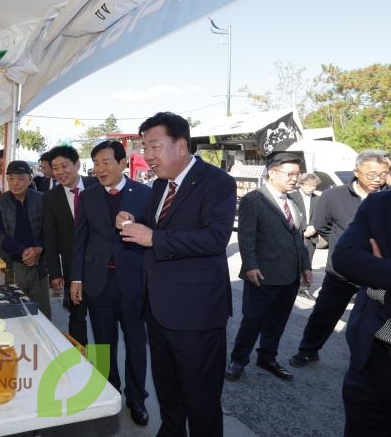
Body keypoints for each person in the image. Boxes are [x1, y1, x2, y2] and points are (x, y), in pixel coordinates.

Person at [118, 112, 236, 437]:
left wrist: (153, 237)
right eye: (144, 147)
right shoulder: (159, 186)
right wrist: (131, 218)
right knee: (168, 392)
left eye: (154, 146)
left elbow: (215, 238)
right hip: (158, 310)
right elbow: (155, 225)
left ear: (181, 145)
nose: (147, 156)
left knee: (201, 400)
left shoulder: (217, 183)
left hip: (196, 315)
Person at [71, 140, 151, 425]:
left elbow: (155, 236)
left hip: (132, 282)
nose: (100, 169)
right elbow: (79, 240)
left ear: (121, 163)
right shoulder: (88, 196)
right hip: (97, 282)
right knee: (103, 343)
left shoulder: (144, 194)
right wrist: (76, 278)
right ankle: (109, 391)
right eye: (96, 164)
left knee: (136, 343)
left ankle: (137, 398)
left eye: (106, 162)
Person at [289, 149, 391, 368]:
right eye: (371, 174)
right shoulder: (333, 196)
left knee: (377, 320)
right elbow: (323, 227)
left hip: (379, 274)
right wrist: (342, 246)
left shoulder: (390, 198)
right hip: (341, 272)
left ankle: (371, 363)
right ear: (356, 171)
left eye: (383, 174)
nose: (377, 180)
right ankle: (308, 350)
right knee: (324, 314)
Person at [333, 123, 391, 436]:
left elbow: (368, 272)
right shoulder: (380, 205)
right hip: (374, 367)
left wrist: (381, 286)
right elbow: (345, 258)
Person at [226, 152, 312, 383]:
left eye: (298, 174)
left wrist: (306, 266)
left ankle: (267, 357)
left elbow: (298, 238)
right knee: (253, 320)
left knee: (278, 320)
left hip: (290, 275)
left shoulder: (293, 201)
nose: (295, 178)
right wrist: (251, 266)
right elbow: (246, 236)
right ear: (273, 172)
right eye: (290, 174)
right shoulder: (254, 199)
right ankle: (238, 360)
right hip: (262, 274)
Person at [43, 145, 97, 346]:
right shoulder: (50, 197)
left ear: (77, 164)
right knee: (76, 317)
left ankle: (101, 370)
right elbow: (50, 236)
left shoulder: (96, 185)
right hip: (72, 267)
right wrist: (55, 273)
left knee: (102, 323)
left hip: (99, 267)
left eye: (64, 166)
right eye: (55, 168)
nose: (59, 172)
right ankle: (80, 365)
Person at [0, 160, 51, 319]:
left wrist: (38, 249)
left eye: (20, 178)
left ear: (30, 179)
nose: (15, 183)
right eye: (11, 178)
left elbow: (50, 231)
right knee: (14, 312)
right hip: (12, 264)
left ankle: (42, 344)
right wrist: (22, 251)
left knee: (41, 312)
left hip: (39, 265)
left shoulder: (42, 199)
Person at [289, 172, 321, 300]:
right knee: (293, 261)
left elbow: (321, 215)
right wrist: (303, 228)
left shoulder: (317, 198)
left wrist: (313, 227)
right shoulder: (292, 197)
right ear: (301, 184)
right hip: (296, 233)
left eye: (314, 185)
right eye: (309, 185)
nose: (312, 188)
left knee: (307, 261)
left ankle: (303, 288)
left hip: (311, 235)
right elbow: (292, 213)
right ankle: (291, 285)